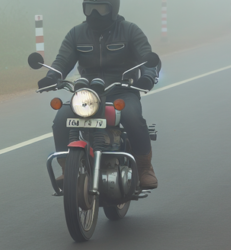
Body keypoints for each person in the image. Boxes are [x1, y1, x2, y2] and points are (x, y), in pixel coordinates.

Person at [38, 0, 161, 189]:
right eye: (90, 8)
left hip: (122, 91)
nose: (94, 13)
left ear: (113, 9)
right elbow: (62, 60)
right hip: (87, 93)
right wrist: (52, 76)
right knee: (61, 119)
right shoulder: (77, 33)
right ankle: (66, 168)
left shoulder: (129, 30)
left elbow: (148, 58)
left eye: (101, 8)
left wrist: (148, 77)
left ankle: (145, 168)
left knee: (132, 117)